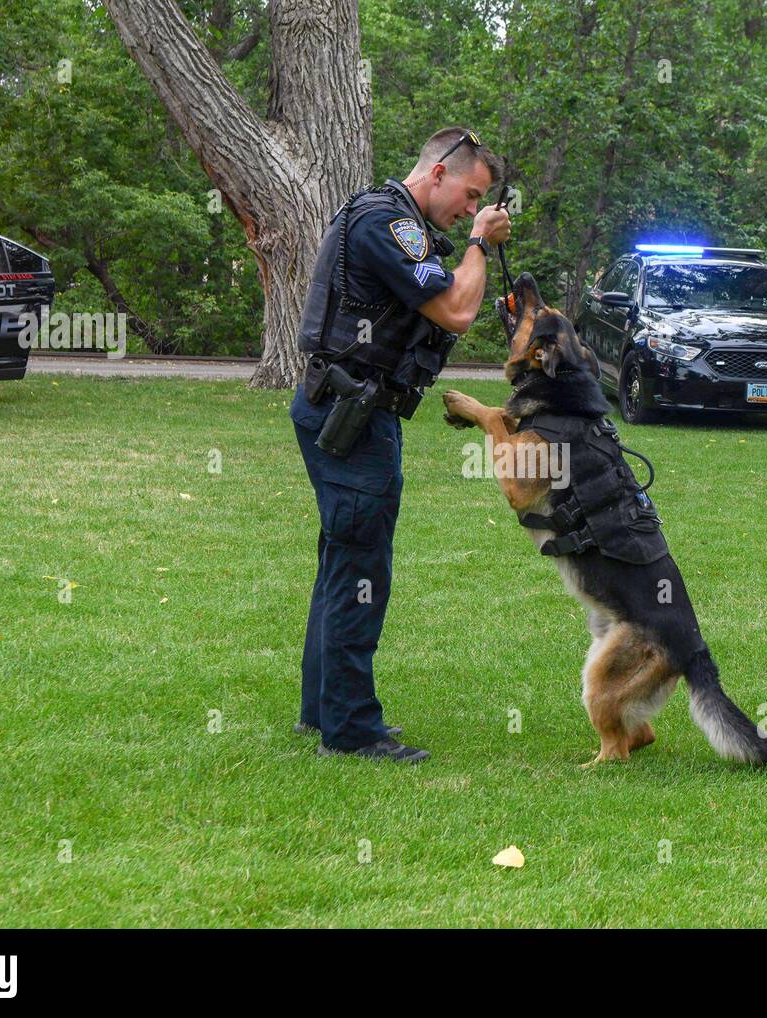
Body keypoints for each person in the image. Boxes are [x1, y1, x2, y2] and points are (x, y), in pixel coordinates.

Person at [289, 127, 511, 763]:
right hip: (353, 416)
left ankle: (322, 710)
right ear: (438, 173)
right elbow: (456, 310)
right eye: (469, 196)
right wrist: (477, 245)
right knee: (360, 568)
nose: (471, 210)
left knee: (341, 558)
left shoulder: (387, 218)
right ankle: (353, 730)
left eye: (477, 204)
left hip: (343, 406)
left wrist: (468, 241)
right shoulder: (388, 223)